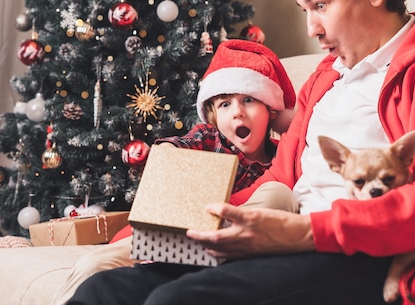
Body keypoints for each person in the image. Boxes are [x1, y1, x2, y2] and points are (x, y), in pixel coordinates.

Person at [66, 0, 415, 305]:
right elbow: (280, 175)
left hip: (361, 252)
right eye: (303, 10)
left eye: (320, 5)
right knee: (106, 290)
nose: (311, 28)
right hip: (285, 237)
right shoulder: (326, 76)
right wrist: (140, 235)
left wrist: (306, 231)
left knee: (176, 301)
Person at [54, 39, 297, 305]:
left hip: (228, 247)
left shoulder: (280, 157)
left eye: (249, 100)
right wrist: (168, 158)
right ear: (214, 115)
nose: (237, 113)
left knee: (278, 195)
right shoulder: (210, 137)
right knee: (94, 264)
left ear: (271, 111)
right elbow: (176, 148)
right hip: (175, 238)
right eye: (225, 105)